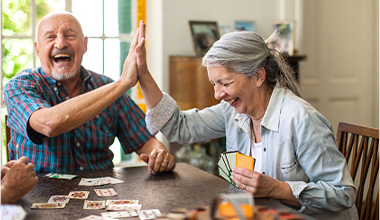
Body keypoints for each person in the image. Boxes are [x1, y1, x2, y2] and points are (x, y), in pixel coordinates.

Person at [134, 23, 358, 219]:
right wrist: (143, 73)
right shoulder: (233, 112)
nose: (218, 94)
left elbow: (343, 193)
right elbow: (179, 127)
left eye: (225, 83)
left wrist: (277, 189)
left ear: (258, 77)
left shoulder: (302, 120)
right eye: (214, 84)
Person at [4, 12, 175, 174]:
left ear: (85, 44)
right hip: (39, 196)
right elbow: (49, 124)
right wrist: (123, 83)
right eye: (50, 37)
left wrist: (159, 155)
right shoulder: (19, 86)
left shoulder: (105, 86)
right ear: (37, 48)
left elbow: (145, 140)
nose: (61, 43)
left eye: (70, 36)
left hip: (102, 194)